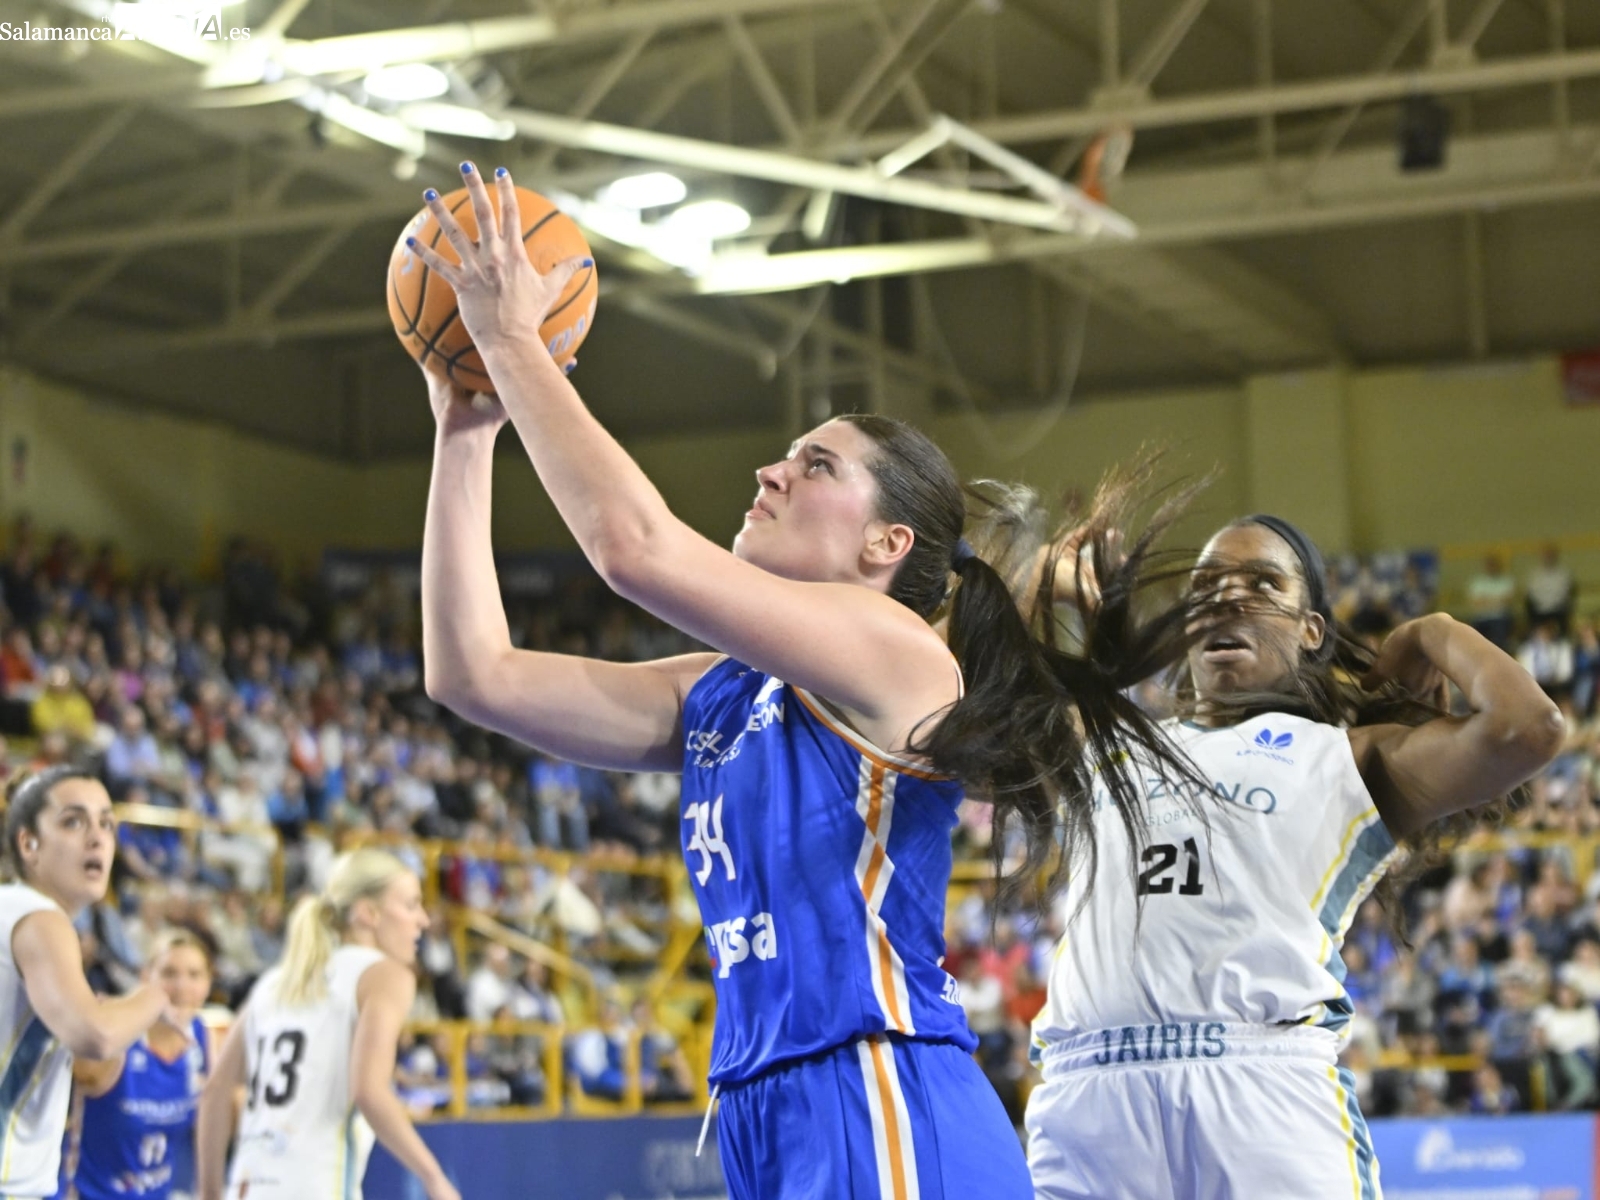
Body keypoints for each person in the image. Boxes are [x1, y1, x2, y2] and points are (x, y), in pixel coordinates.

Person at [405, 162, 1190, 1200]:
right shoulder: (721, 693)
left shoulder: (897, 649)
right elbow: (475, 673)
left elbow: (634, 548)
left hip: (880, 1090)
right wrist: (465, 432)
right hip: (762, 1104)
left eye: (815, 465)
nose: (772, 473)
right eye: (785, 456)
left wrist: (513, 344)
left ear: (886, 543)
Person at [1024, 515, 1563, 1198]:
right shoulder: (1107, 744)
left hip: (1262, 1091)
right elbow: (955, 716)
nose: (1227, 597)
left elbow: (1529, 728)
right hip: (1087, 1107)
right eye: (1209, 585)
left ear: (1311, 629)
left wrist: (1433, 631)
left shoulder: (1352, 753)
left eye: (1262, 583)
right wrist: (1032, 585)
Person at [194, 849, 458, 1200]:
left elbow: (214, 1092)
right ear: (368, 913)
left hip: (247, 1187)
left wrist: (211, 1193)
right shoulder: (383, 975)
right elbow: (369, 1091)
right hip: (316, 1185)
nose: (423, 920)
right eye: (411, 905)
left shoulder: (275, 982)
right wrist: (434, 1176)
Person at [0, 766, 187, 1199]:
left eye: (106, 822)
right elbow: (96, 1035)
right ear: (28, 843)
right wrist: (155, 997)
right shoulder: (37, 915)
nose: (98, 837)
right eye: (73, 821)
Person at [60, 930, 213, 1200]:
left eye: (194, 975)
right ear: (146, 977)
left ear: (209, 983)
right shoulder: (115, 1037)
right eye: (168, 973)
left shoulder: (203, 1037)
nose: (182, 987)